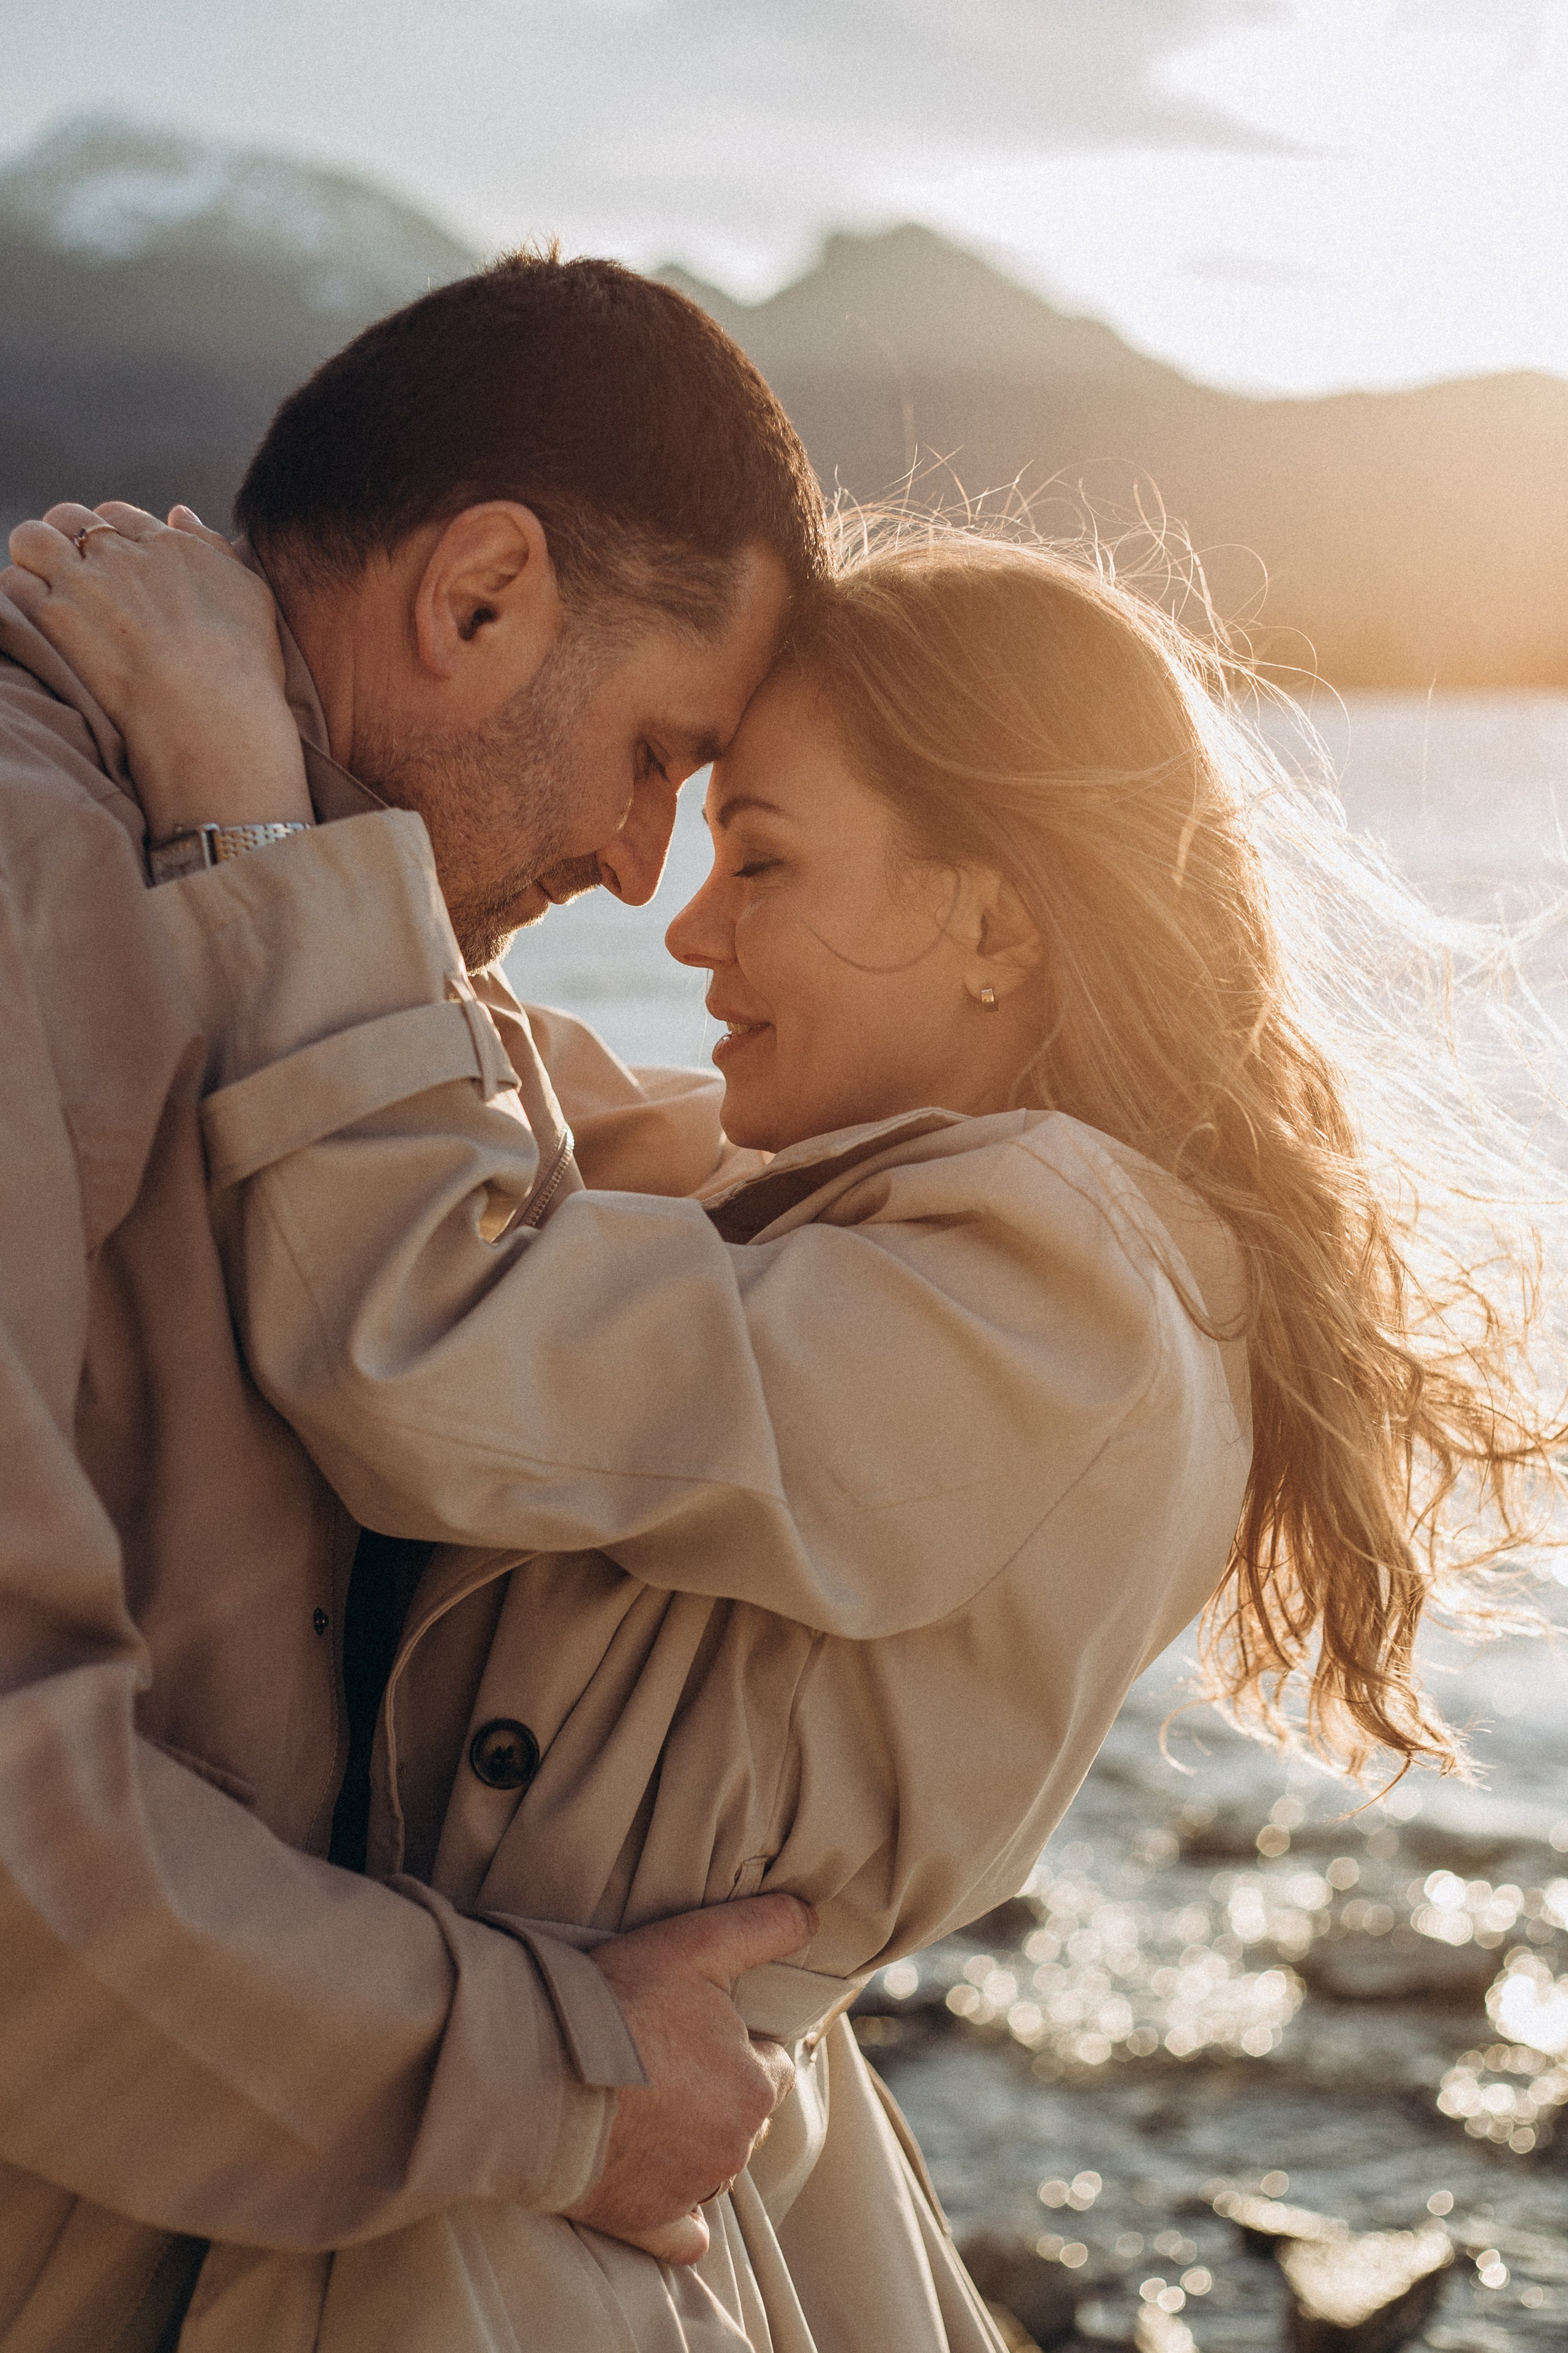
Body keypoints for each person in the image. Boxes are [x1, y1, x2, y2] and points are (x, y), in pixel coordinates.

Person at [14, 508, 1562, 2353]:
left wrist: (241, 794)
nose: (685, 918)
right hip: (542, 2138)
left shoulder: (1058, 1299)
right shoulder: (907, 1225)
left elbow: (430, 1327)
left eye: (759, 852)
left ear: (990, 918)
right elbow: (492, 1113)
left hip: (542, 2208)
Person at [0, 249, 835, 2353]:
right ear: (478, 597)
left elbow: (659, 1219)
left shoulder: (319, 925)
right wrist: (563, 2080)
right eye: (658, 752)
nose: (648, 871)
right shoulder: (26, 892)